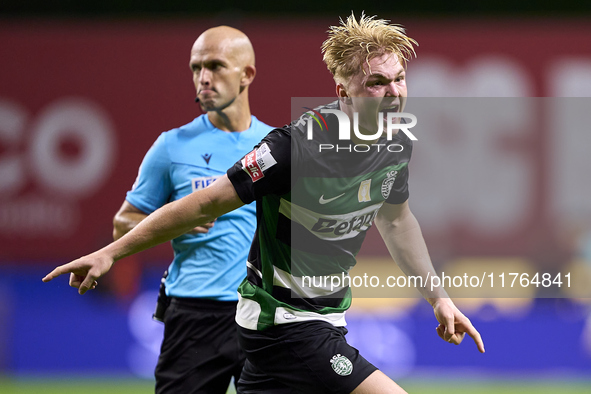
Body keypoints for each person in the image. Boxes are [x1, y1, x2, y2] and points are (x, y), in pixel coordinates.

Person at [43, 13, 485, 394]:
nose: (393, 92)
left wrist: (438, 298)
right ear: (343, 91)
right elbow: (204, 204)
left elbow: (397, 222)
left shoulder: (394, 142)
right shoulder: (292, 148)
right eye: (376, 82)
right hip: (285, 326)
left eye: (399, 78)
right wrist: (111, 252)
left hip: (325, 319)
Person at [112, 26, 273, 393]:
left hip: (263, 312)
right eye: (196, 68)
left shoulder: (273, 146)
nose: (203, 78)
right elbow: (124, 223)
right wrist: (174, 223)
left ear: (246, 74)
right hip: (195, 315)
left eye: (216, 66)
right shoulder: (172, 146)